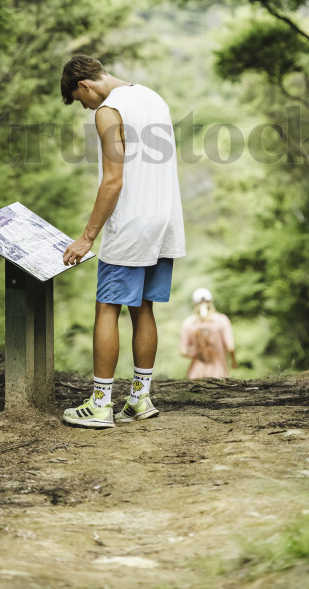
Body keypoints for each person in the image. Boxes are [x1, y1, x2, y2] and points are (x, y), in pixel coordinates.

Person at [60, 55, 185, 428]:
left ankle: (100, 404)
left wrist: (87, 237)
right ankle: (140, 399)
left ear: (84, 86)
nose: (86, 107)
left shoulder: (109, 111)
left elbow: (113, 181)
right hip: (165, 220)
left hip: (131, 223)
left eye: (80, 100)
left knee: (107, 307)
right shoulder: (152, 97)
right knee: (143, 308)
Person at [180, 288, 236, 379]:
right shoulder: (222, 320)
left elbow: (183, 352)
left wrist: (198, 352)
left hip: (195, 375)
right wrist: (234, 361)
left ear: (194, 304)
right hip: (219, 374)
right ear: (211, 302)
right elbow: (231, 347)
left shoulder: (188, 323)